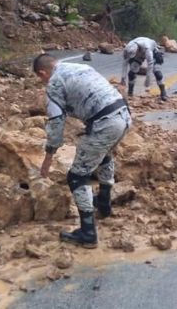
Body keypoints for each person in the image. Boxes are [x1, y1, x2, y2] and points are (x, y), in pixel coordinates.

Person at [34, 54, 130, 248]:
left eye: (40, 78)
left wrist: (48, 158)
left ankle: (87, 233)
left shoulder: (54, 83)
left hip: (106, 123)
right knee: (103, 156)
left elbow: (56, 123)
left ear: (42, 72)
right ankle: (104, 203)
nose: (42, 82)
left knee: (77, 177)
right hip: (124, 116)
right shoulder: (79, 68)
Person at [120, 36, 167, 101]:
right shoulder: (127, 48)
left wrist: (148, 79)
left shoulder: (147, 49)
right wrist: (123, 78)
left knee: (157, 73)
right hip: (139, 55)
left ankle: (163, 92)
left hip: (152, 51)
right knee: (131, 73)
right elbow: (125, 63)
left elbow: (150, 64)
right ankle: (130, 93)